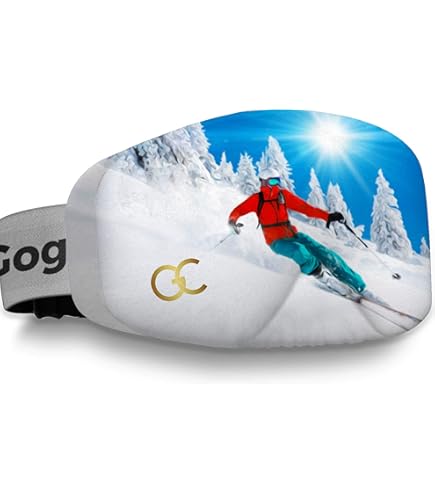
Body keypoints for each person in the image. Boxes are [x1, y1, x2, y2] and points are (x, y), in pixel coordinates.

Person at [228, 169, 366, 295]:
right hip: (276, 241)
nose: (276, 185)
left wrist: (328, 216)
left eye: (277, 181)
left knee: (326, 253)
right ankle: (323, 277)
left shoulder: (283, 195)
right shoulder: (257, 199)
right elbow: (238, 210)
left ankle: (358, 285)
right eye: (272, 181)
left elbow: (306, 208)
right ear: (264, 182)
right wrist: (233, 221)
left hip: (293, 235)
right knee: (299, 251)